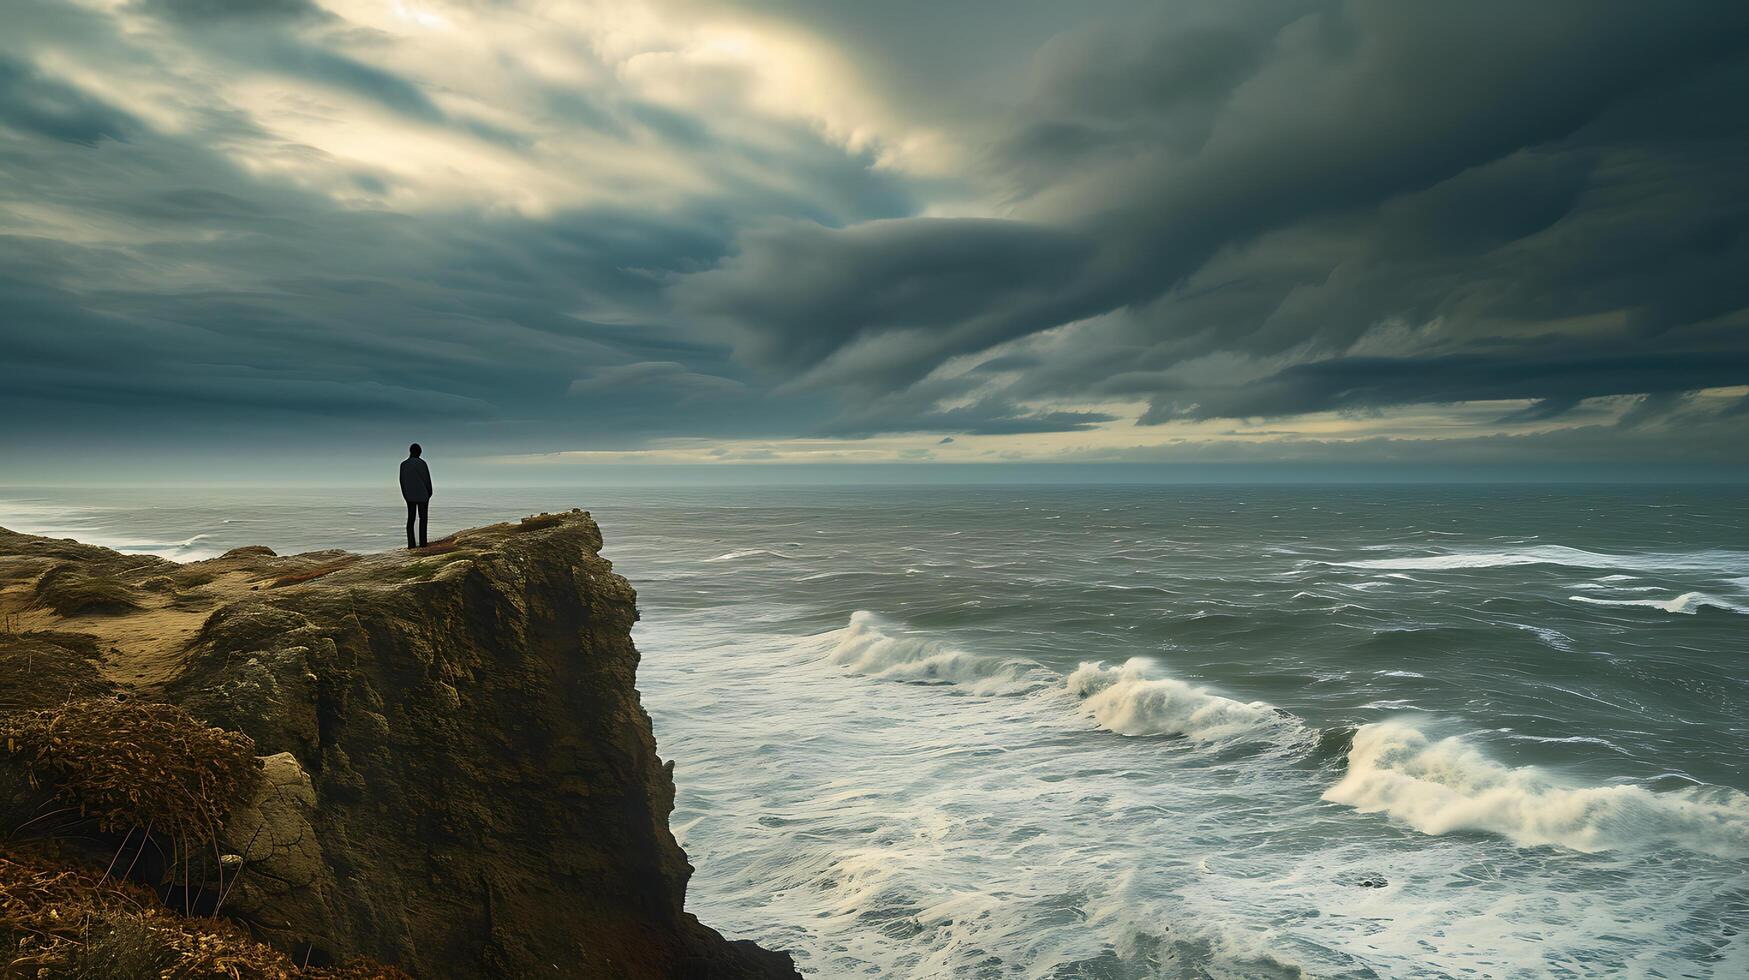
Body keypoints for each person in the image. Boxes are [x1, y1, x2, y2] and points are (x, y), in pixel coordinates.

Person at [400, 443, 433, 549]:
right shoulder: (422, 463)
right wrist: (429, 493)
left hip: (409, 495)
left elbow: (402, 481)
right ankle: (423, 543)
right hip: (423, 495)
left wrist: (405, 494)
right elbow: (427, 480)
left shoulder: (403, 464)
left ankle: (411, 544)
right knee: (423, 519)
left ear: (410, 451)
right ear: (419, 452)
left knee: (411, 519)